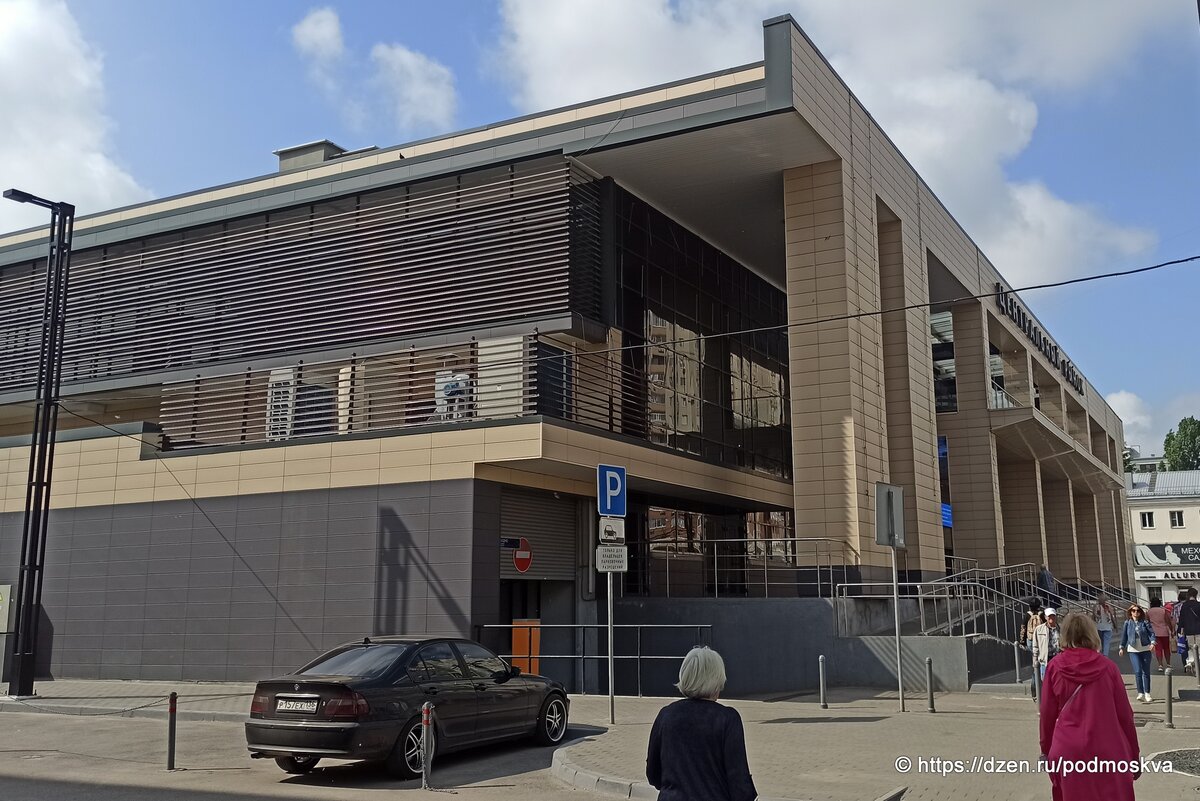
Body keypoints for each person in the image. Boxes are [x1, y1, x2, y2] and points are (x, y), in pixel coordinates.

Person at [1040, 614, 1140, 801]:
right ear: (1092, 634)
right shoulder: (1109, 667)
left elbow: (1046, 714)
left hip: (1067, 749)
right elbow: (1125, 716)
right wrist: (1134, 754)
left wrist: (1045, 750)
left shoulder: (1054, 667)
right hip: (1108, 748)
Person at [646, 646, 756, 801]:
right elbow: (739, 783)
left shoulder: (666, 715)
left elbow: (653, 774)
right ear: (717, 681)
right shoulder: (727, 719)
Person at [1119, 604, 1155, 703]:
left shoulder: (1145, 622)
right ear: (1130, 612)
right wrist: (1121, 647)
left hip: (1145, 649)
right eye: (1133, 610)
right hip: (1133, 650)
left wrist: (1152, 643)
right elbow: (1124, 636)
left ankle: (1147, 693)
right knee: (1138, 671)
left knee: (1146, 672)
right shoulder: (1127, 623)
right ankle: (1140, 692)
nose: (1136, 612)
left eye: (1138, 611)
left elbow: (1151, 633)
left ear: (1140, 612)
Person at [1145, 597, 1174, 672]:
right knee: (1166, 648)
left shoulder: (1149, 611)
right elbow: (1168, 621)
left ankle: (1160, 665)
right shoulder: (1164, 611)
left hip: (1154, 633)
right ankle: (1168, 663)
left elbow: (1147, 622)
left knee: (1158, 649)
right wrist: (1172, 630)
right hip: (1164, 632)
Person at [1033, 607, 1061, 680]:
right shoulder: (1039, 629)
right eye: (1049, 616)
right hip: (1045, 661)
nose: (1051, 618)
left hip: (1058, 660)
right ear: (1045, 617)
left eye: (1053, 615)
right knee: (1045, 681)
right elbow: (1035, 646)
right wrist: (1035, 661)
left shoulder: (1061, 629)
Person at [1178, 587, 1200, 672]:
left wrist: (1180, 631)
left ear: (1188, 595)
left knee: (1190, 648)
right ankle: (1198, 665)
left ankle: (1191, 664)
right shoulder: (1199, 605)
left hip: (1188, 631)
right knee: (1199, 648)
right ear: (1196, 595)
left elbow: (1181, 620)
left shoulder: (1184, 606)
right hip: (1198, 630)